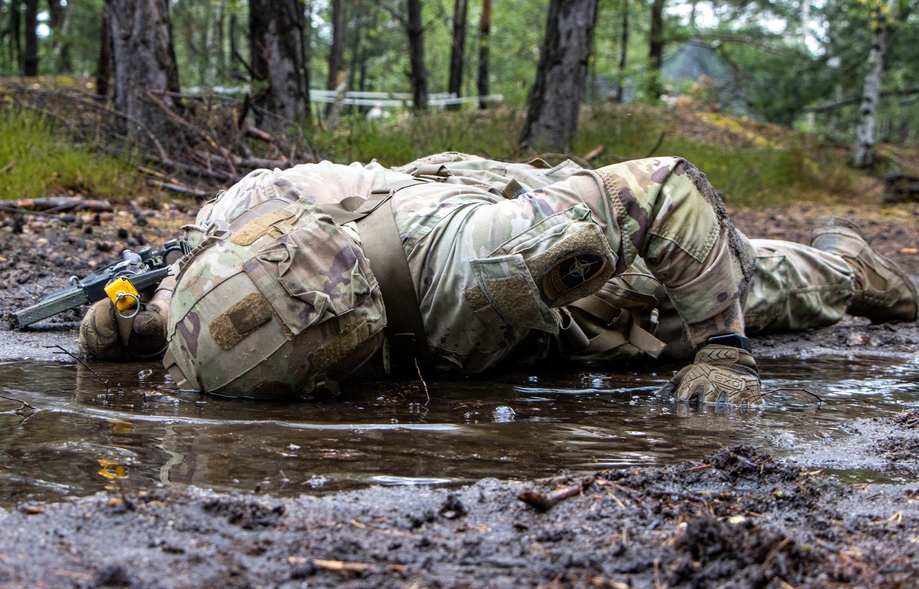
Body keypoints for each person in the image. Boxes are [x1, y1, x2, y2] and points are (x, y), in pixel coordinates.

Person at [77, 153, 916, 405]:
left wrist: (722, 350)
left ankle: (856, 264)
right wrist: (153, 323)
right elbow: (218, 286)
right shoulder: (240, 216)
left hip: (509, 232)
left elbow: (668, 188)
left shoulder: (480, 270)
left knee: (746, 283)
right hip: (427, 190)